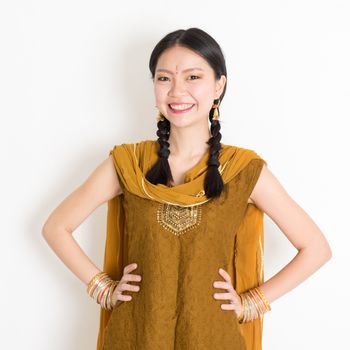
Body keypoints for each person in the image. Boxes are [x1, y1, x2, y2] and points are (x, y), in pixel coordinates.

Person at [42, 27, 332, 350]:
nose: (177, 91)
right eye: (164, 79)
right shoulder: (130, 164)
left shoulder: (243, 170)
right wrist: (103, 289)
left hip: (212, 336)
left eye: (193, 77)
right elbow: (56, 227)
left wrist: (252, 302)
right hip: (136, 336)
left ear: (218, 85)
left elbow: (316, 248)